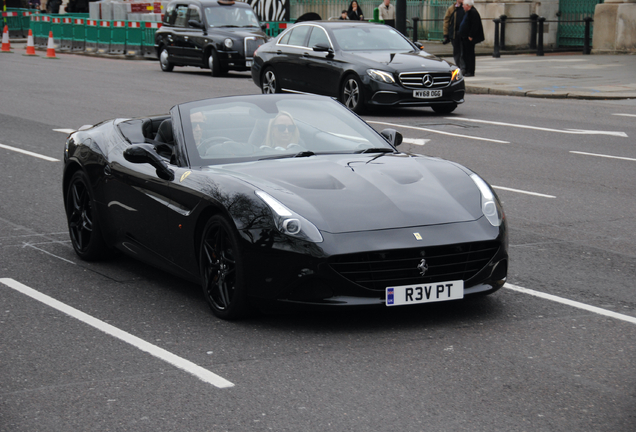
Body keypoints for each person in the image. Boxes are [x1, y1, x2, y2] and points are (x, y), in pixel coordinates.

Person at [458, 0, 484, 77]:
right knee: (465, 54)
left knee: (469, 55)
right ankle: (466, 70)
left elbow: (475, 25)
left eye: (464, 5)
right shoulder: (468, 12)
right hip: (464, 37)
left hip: (468, 38)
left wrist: (471, 35)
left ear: (468, 5)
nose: (462, 6)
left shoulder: (473, 12)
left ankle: (470, 71)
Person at [442, 0, 465, 73]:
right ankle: (458, 67)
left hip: (464, 34)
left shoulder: (466, 7)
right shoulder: (451, 9)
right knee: (457, 52)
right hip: (454, 34)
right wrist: (446, 34)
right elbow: (446, 21)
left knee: (463, 51)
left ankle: (463, 67)